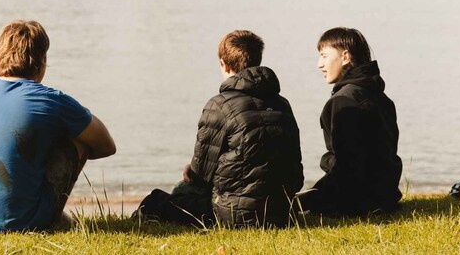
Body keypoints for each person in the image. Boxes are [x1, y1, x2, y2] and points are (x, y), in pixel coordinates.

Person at [0, 20, 116, 232]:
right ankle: (51, 217)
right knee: (78, 139)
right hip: (20, 223)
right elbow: (106, 145)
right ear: (42, 60)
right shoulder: (53, 100)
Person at [136, 30, 304, 228]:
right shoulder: (283, 104)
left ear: (224, 63)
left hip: (232, 216)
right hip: (282, 213)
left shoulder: (219, 105)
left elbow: (200, 178)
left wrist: (192, 171)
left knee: (158, 199)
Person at [296, 27, 402, 216]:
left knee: (288, 206)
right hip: (386, 195)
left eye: (324, 56)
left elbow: (348, 168)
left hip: (359, 200)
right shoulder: (380, 96)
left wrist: (315, 194)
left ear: (345, 57)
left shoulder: (344, 100)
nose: (319, 64)